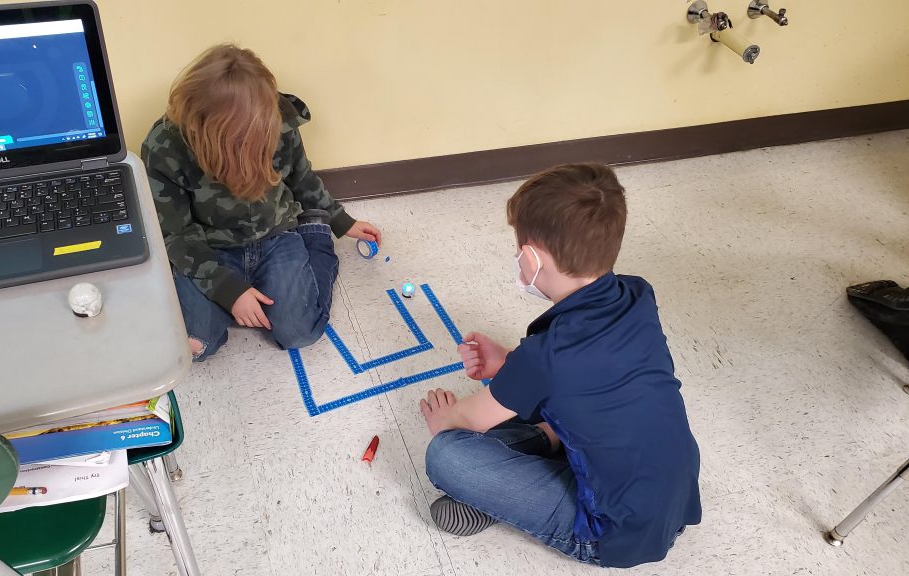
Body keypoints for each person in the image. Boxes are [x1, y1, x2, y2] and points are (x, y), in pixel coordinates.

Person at [418, 164, 701, 568]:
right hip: (674, 497)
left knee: (446, 455)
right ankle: (544, 445)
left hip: (612, 534)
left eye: (519, 252)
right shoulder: (638, 294)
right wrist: (507, 366)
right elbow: (592, 372)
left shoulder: (545, 358)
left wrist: (444, 420)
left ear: (532, 259)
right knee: (554, 408)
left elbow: (463, 422)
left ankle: (502, 495)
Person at [141, 44, 380, 360]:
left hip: (275, 237)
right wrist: (229, 291)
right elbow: (176, 233)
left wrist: (340, 220)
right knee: (200, 341)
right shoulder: (166, 144)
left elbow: (302, 178)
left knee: (299, 332)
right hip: (210, 247)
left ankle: (315, 232)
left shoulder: (277, 121)